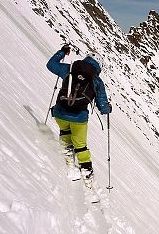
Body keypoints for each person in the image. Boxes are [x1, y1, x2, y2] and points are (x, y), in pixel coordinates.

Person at [46, 44, 112, 179]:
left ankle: (68, 160)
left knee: (65, 132)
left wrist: (62, 52)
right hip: (79, 117)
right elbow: (103, 108)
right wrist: (109, 107)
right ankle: (87, 173)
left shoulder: (69, 70)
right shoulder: (97, 81)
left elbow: (51, 65)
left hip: (59, 113)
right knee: (81, 145)